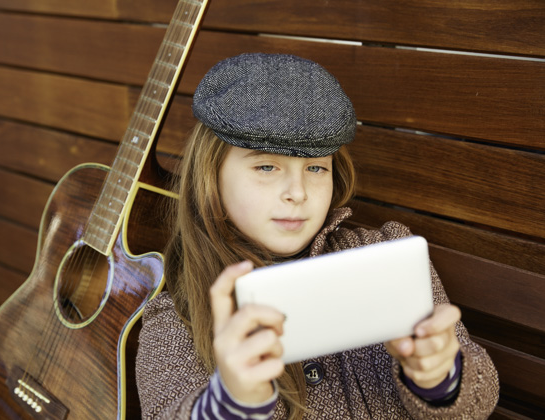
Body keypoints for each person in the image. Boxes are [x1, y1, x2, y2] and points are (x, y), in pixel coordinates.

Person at [135, 53, 499, 419]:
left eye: (315, 167)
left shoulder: (386, 254)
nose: (298, 192)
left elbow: (477, 401)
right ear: (210, 177)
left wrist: (439, 375)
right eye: (266, 166)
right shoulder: (175, 321)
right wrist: (232, 401)